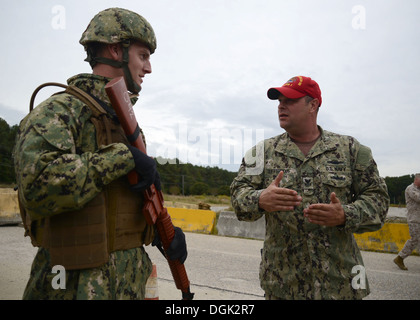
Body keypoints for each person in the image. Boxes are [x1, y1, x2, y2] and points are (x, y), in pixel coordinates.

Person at [13, 7, 186, 300]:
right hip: (71, 285)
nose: (149, 68)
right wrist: (122, 158)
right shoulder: (59, 112)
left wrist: (158, 229)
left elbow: (118, 200)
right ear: (117, 50)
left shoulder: (125, 123)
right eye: (143, 56)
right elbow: (38, 185)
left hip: (129, 282)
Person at [230, 76, 390, 300]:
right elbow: (238, 196)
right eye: (279, 101)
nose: (281, 106)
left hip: (342, 283)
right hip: (283, 284)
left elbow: (379, 201)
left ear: (313, 105)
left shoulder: (350, 149)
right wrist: (260, 199)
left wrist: (345, 214)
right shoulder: (261, 152)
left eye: (290, 100)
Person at [393, 174, 420, 270]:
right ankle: (400, 258)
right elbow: (418, 198)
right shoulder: (410, 189)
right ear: (417, 179)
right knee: (415, 239)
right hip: (414, 219)